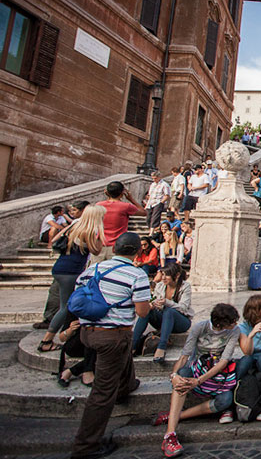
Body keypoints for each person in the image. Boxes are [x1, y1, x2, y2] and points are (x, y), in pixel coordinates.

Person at [71, 232, 150, 459]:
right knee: (102, 392)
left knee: (123, 351)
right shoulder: (137, 274)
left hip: (87, 333)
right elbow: (142, 311)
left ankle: (126, 386)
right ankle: (86, 446)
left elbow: (79, 296)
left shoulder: (92, 269)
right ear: (138, 252)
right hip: (112, 336)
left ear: (114, 249)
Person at [157, 303, 240, 458]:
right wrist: (173, 375)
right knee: (182, 376)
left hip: (217, 376)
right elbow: (185, 356)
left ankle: (175, 416)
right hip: (197, 369)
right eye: (232, 322)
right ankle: (170, 434)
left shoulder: (234, 331)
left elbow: (223, 362)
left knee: (225, 400)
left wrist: (199, 381)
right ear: (220, 324)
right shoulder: (200, 328)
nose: (235, 324)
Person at [38, 205, 106, 353]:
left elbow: (55, 239)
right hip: (71, 272)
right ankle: (47, 341)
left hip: (60, 267)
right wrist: (100, 236)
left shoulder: (75, 225)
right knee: (66, 307)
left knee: (68, 304)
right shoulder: (89, 231)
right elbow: (97, 250)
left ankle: (67, 334)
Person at [132, 264, 193, 363]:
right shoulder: (160, 285)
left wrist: (166, 302)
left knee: (169, 311)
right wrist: (153, 305)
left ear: (177, 275)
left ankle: (161, 347)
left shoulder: (185, 286)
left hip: (181, 322)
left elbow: (183, 308)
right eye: (163, 274)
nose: (163, 278)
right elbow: (155, 300)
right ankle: (133, 345)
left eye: (167, 275)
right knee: (148, 310)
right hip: (163, 319)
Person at [96, 181, 146, 261]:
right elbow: (143, 212)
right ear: (122, 193)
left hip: (99, 245)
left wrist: (108, 196)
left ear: (107, 192)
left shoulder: (99, 205)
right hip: (117, 246)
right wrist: (131, 199)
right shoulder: (126, 206)